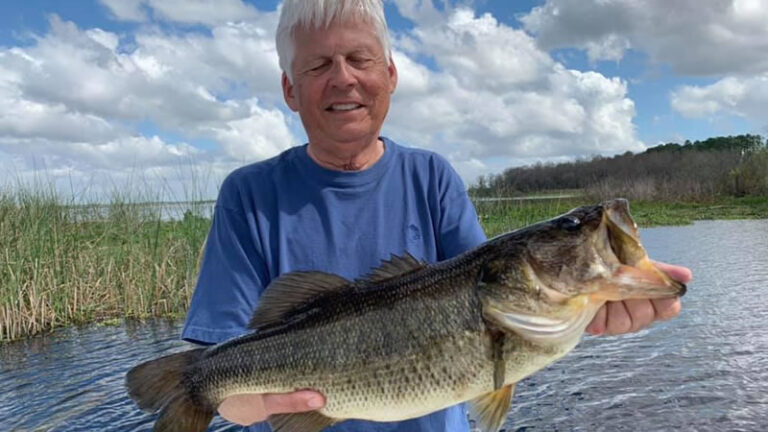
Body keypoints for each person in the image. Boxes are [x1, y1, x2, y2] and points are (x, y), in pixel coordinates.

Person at [181, 0, 693, 430]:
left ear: (391, 74)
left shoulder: (433, 177)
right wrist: (242, 399)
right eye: (317, 66)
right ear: (290, 89)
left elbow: (495, 315)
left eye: (360, 58)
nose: (343, 79)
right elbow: (224, 373)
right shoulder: (247, 194)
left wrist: (585, 315)